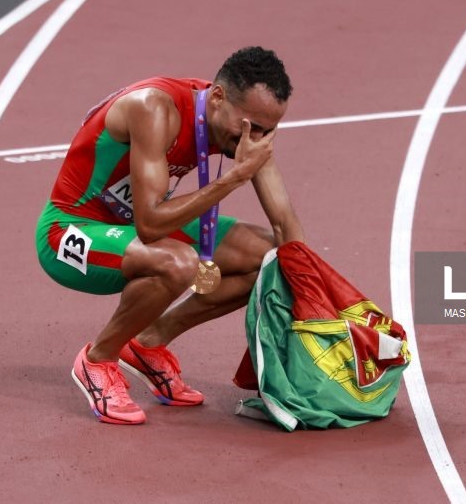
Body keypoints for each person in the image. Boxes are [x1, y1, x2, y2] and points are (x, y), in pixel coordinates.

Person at [35, 46, 304, 424]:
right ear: (218, 98)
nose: (257, 138)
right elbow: (151, 226)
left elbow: (285, 227)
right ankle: (97, 359)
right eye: (252, 127)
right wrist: (234, 178)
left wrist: (319, 297)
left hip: (136, 228)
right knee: (178, 263)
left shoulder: (240, 123)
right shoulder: (154, 109)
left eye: (269, 130)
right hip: (71, 229)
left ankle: (147, 343)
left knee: (271, 257)